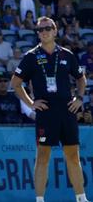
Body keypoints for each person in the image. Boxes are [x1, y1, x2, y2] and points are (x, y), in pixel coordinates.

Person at [11, 16, 89, 202]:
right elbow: (15, 83)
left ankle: (81, 198)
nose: (44, 32)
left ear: (55, 30)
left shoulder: (67, 54)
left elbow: (81, 78)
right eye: (40, 30)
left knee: (73, 155)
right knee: (43, 156)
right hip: (46, 114)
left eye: (47, 28)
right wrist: (31, 103)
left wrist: (79, 98)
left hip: (67, 111)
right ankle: (40, 200)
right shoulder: (31, 56)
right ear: (37, 34)